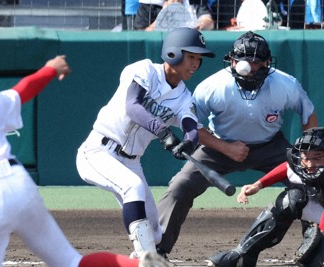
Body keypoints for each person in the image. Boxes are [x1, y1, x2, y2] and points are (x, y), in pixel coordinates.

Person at [0, 45, 171, 267]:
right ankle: (138, 266)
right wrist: (51, 68)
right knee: (72, 261)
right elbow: (23, 90)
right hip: (19, 183)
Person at [156, 31, 318, 259]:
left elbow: (308, 114)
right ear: (232, 61)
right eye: (242, 61)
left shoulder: (285, 84)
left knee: (311, 183)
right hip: (218, 145)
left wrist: (308, 155)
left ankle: (316, 247)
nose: (249, 67)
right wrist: (224, 147)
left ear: (267, 63)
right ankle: (157, 250)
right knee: (180, 187)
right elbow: (192, 126)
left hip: (270, 145)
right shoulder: (213, 87)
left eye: (256, 62)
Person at [76, 27, 215, 259]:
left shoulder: (184, 97)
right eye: (191, 57)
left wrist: (188, 144)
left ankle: (137, 259)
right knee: (133, 187)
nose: (195, 64)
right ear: (173, 53)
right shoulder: (144, 69)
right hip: (98, 151)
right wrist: (163, 132)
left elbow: (190, 126)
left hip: (131, 161)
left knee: (155, 233)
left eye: (198, 59)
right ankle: (146, 260)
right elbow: (133, 106)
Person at [208, 127, 324, 266]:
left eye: (317, 157)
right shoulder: (303, 166)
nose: (309, 164)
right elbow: (287, 168)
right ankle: (243, 255)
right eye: (305, 157)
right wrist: (258, 184)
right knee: (291, 200)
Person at [147, 0, 214, 31]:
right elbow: (145, 33)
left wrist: (200, 25)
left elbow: (209, 23)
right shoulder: (152, 3)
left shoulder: (196, 2)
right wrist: (165, 13)